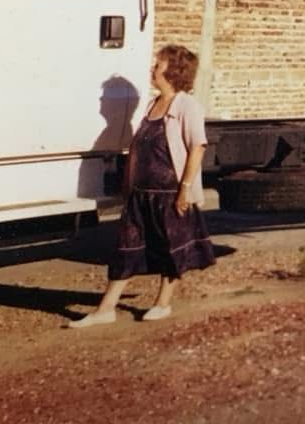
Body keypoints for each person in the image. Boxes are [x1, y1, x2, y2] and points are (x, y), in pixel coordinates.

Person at [67, 45, 215, 327]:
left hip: (170, 194)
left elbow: (198, 147)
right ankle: (105, 309)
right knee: (126, 247)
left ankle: (163, 303)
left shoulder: (187, 106)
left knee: (172, 248)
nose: (152, 69)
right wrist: (129, 184)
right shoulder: (152, 104)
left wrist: (184, 190)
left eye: (157, 65)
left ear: (173, 70)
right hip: (141, 194)